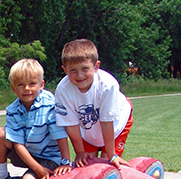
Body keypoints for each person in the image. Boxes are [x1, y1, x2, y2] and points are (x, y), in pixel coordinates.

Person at [0, 58, 72, 179]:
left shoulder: (49, 104)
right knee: (0, 134)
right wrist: (37, 168)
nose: (27, 89)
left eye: (32, 84)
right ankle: (0, 175)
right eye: (21, 85)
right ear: (13, 88)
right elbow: (18, 144)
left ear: (41, 84)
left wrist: (65, 162)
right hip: (28, 153)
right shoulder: (13, 110)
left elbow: (60, 135)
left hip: (49, 157)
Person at [55, 39, 134, 170]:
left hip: (117, 124)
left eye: (85, 68)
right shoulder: (63, 90)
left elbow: (107, 121)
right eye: (73, 70)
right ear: (65, 69)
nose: (79, 75)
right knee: (87, 166)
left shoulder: (108, 85)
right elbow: (71, 124)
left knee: (105, 166)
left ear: (96, 66)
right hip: (88, 130)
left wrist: (111, 154)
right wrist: (79, 152)